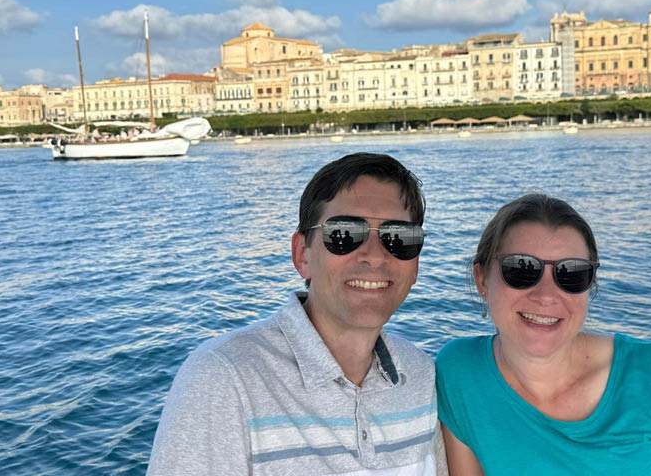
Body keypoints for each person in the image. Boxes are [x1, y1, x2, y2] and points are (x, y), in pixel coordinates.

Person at [147, 152, 447, 475]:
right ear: (302, 254)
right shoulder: (223, 379)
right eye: (344, 234)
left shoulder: (421, 376)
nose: (374, 256)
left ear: (415, 264)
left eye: (398, 237)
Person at [436, 193, 651, 475]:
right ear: (482, 280)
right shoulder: (459, 373)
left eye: (571, 273)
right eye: (521, 269)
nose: (547, 295)